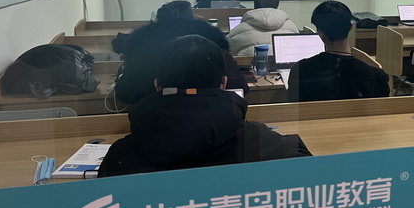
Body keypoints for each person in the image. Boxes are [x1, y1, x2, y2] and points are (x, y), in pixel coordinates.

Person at [101, 34, 309, 174]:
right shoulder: (260, 140)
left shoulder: (121, 154)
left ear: (157, 85)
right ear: (224, 84)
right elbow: (308, 178)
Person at [114, 0, 248, 104]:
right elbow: (240, 87)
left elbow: (125, 93)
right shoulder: (214, 45)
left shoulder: (143, 47)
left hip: (157, 120)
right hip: (216, 118)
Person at [287, 0, 389, 102]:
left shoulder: (300, 70)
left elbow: (293, 107)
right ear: (351, 27)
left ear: (320, 33)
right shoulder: (376, 77)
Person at [229, 0, 299, 56]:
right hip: (287, 64)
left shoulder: (238, 30)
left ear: (255, 6)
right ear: (277, 6)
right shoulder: (291, 26)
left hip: (249, 65)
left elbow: (228, 49)